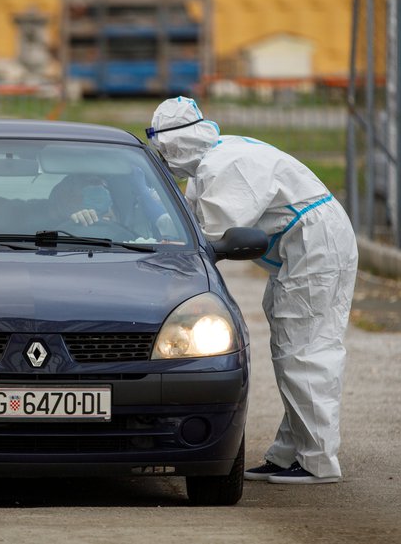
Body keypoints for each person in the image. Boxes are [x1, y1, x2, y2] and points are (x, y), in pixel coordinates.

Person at [148, 96, 358, 485]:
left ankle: (318, 462)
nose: (163, 158)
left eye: (163, 149)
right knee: (292, 348)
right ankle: (288, 453)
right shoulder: (208, 165)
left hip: (316, 244)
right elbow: (187, 219)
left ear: (176, 143)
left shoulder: (226, 166)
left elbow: (209, 234)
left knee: (304, 351)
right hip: (307, 247)